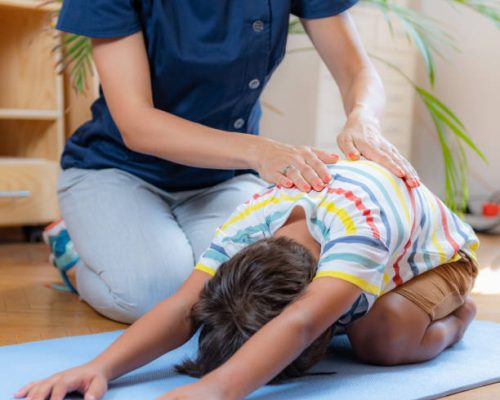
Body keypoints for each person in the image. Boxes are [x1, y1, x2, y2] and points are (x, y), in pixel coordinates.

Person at [52, 0, 421, 323]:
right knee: (156, 297)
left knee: (239, 292)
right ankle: (72, 253)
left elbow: (357, 72)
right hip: (118, 169)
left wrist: (363, 118)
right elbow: (137, 124)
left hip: (222, 178)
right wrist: (260, 151)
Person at [15, 160, 477, 400]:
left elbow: (298, 324)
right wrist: (100, 367)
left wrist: (220, 389)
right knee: (351, 321)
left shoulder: (360, 230)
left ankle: (461, 316)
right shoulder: (247, 227)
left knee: (384, 338)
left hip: (437, 258)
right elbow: (183, 305)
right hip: (364, 258)